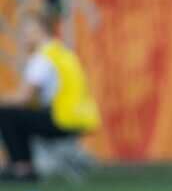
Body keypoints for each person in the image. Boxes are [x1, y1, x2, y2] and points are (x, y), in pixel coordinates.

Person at [0, 12, 100, 180]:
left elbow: (23, 98)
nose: (23, 35)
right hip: (77, 118)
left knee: (7, 115)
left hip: (61, 120)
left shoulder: (42, 58)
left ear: (40, 30)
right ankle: (27, 165)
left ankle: (22, 167)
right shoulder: (62, 53)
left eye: (26, 29)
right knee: (18, 116)